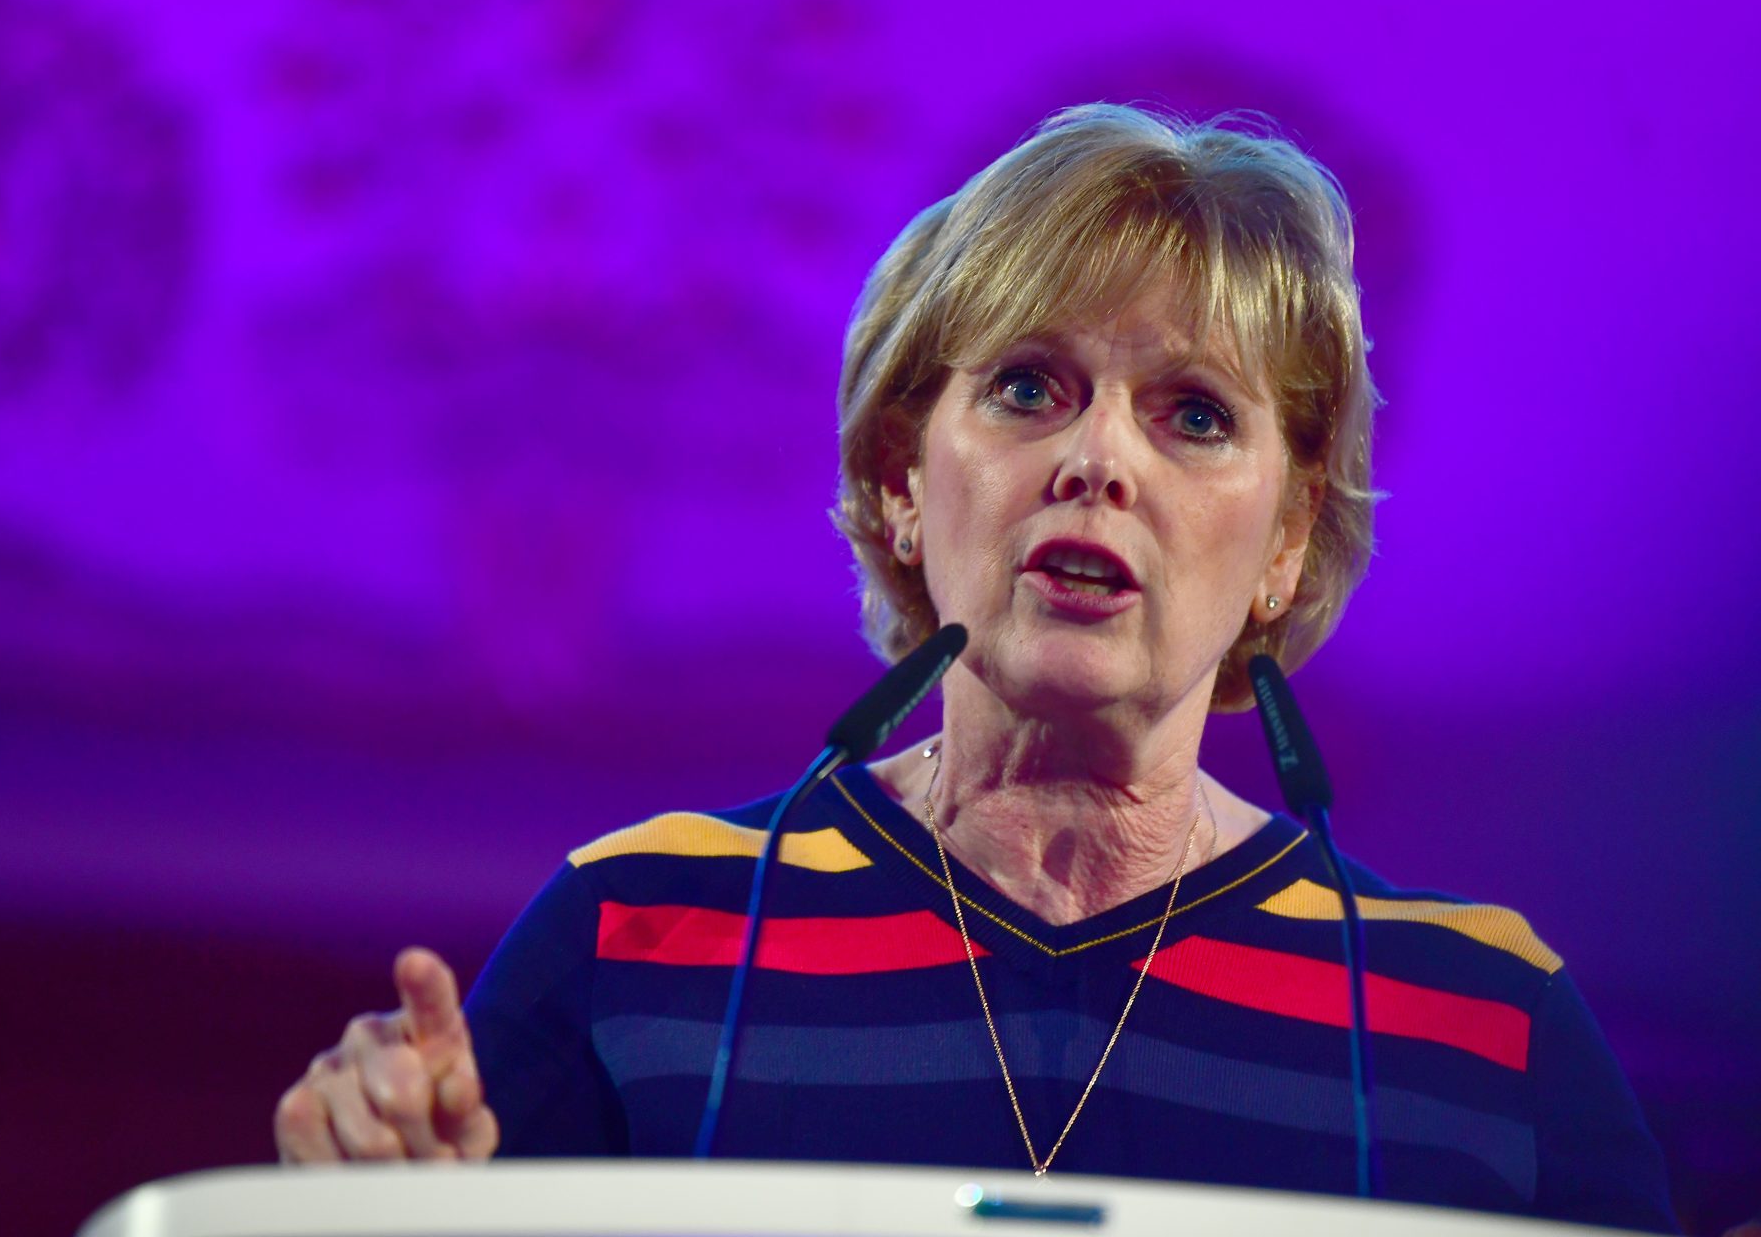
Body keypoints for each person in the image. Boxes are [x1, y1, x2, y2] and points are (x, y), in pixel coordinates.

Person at [273, 104, 1675, 1231]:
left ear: (1287, 543)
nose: (1097, 462)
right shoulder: (640, 933)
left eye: (1192, 415)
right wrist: (373, 1202)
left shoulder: (1481, 1025)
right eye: (1028, 388)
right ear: (898, 475)